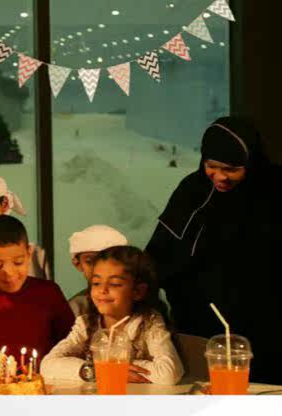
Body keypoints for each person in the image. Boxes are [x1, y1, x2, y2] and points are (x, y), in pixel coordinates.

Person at [145, 116, 282, 383]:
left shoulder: (274, 191)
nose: (220, 177)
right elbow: (160, 252)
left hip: (267, 330)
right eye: (211, 166)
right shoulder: (192, 190)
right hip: (198, 327)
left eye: (231, 169)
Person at [41, 246, 184, 385]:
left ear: (138, 291)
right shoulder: (86, 324)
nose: (102, 290)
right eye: (96, 283)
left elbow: (169, 374)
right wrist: (99, 370)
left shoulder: (149, 322)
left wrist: (118, 366)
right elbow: (47, 365)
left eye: (114, 284)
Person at [0, 215, 74, 360]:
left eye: (18, 262)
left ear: (29, 254)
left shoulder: (49, 294)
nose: (9, 273)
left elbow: (72, 346)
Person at [67, 225, 128, 317]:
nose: (100, 269)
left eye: (110, 261)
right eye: (90, 261)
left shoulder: (136, 300)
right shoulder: (76, 308)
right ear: (77, 264)